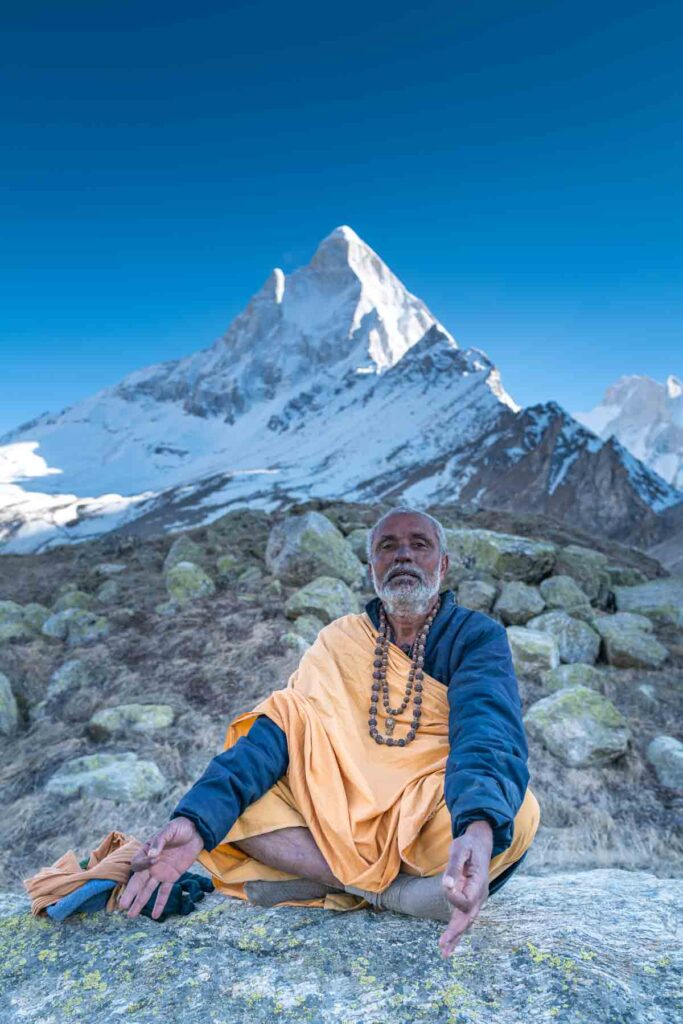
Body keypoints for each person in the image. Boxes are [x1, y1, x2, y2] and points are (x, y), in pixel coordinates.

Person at [119, 507, 540, 957]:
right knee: (237, 808)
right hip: (334, 806)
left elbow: (487, 729)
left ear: (443, 564)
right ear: (371, 566)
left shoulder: (476, 636)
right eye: (387, 547)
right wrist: (196, 821)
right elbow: (282, 729)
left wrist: (474, 825)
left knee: (512, 817)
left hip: (421, 812)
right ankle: (388, 893)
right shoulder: (341, 640)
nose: (403, 556)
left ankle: (338, 879)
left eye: (419, 545)